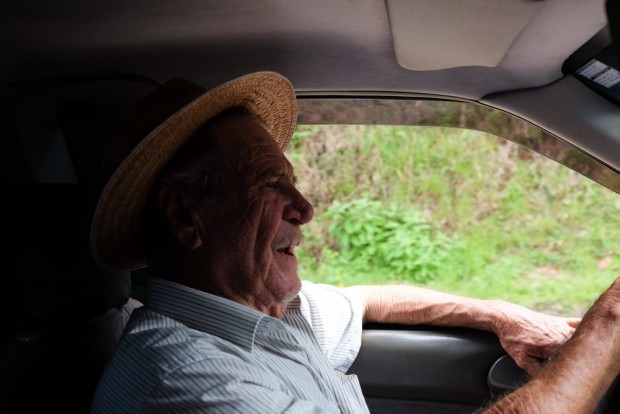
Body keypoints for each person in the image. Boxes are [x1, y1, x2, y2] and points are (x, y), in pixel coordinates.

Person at [89, 71, 614, 413]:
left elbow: (369, 300)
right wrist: (608, 325)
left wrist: (502, 315)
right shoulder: (191, 385)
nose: (305, 209)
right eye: (271, 185)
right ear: (187, 218)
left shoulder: (261, 313)